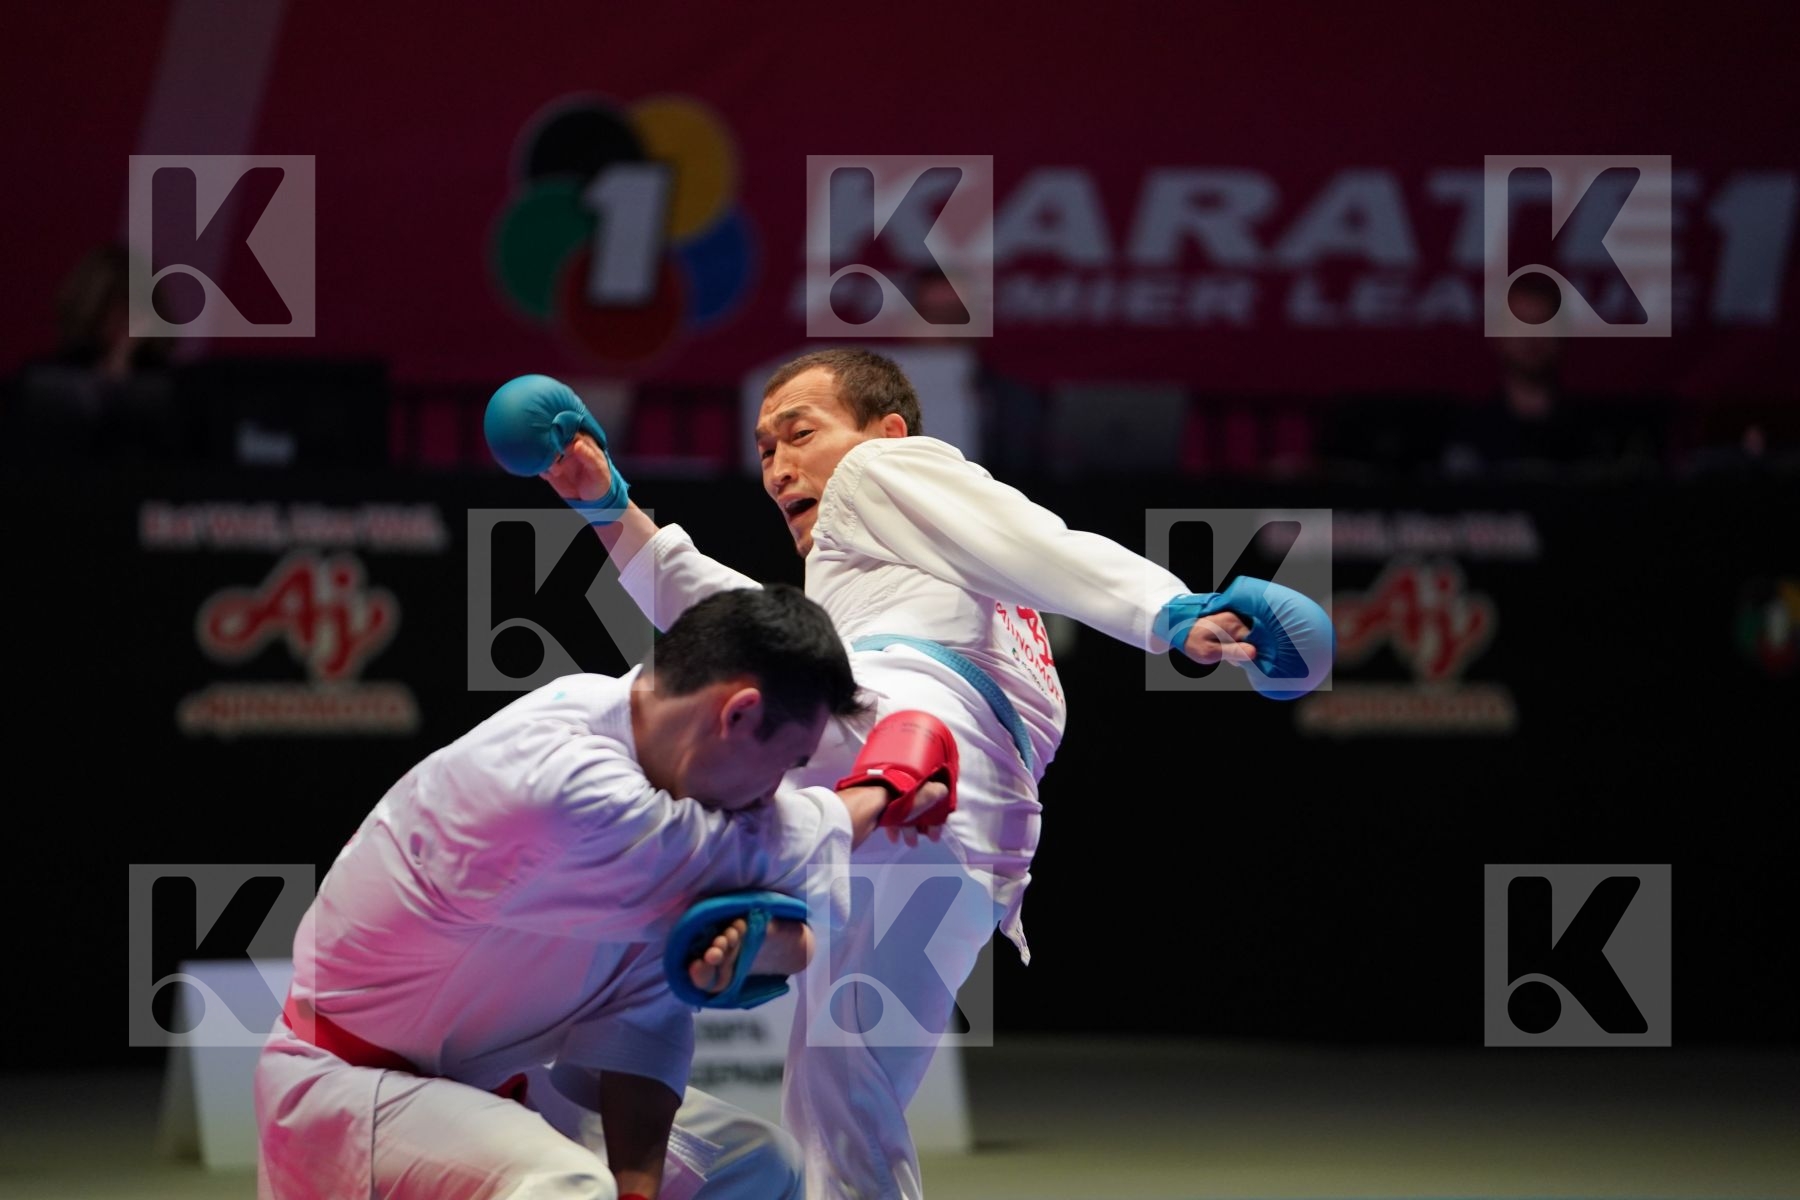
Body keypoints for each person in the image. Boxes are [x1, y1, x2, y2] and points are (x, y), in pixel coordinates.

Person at [487, 357, 1332, 1199]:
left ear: (888, 435)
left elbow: (1038, 538)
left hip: (902, 743)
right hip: (962, 842)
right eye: (763, 448)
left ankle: (498, 1025)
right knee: (841, 1104)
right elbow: (733, 621)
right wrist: (609, 510)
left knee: (603, 718)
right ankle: (564, 1055)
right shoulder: (929, 593)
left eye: (802, 432)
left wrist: (1169, 610)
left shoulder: (880, 473)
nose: (778, 464)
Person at [255, 585, 958, 1200]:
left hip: (481, 1089)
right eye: (786, 764)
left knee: (760, 1166)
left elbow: (642, 1027)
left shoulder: (661, 795)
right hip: (346, 1091)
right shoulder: (560, 786)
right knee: (567, 1190)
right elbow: (771, 857)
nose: (775, 793)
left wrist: (639, 1193)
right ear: (738, 715)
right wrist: (879, 792)